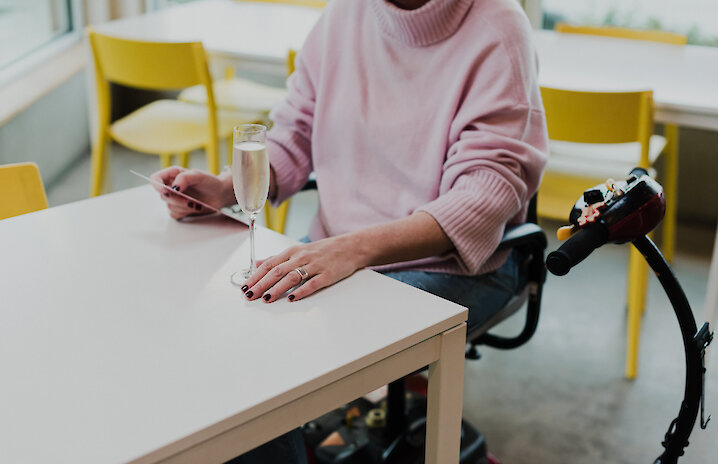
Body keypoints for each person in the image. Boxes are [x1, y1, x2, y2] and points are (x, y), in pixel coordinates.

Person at [152, 0, 547, 461]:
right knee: (229, 339)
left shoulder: (498, 28)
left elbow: (485, 196)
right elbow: (296, 131)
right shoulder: (345, 14)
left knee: (268, 368)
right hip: (337, 249)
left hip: (453, 264)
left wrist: (352, 249)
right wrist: (226, 188)